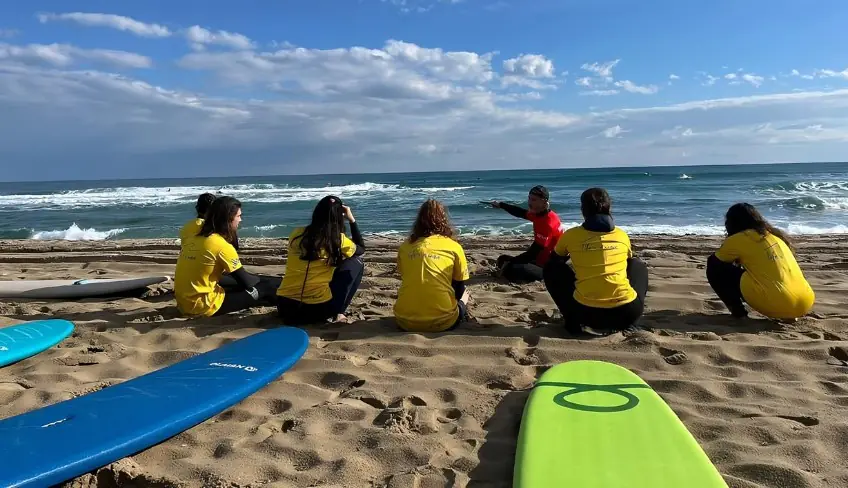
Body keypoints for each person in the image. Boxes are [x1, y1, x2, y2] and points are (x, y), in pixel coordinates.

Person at [543, 188, 648, 334]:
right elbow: (627, 261)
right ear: (609, 207)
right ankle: (631, 322)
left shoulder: (571, 235)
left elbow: (554, 260)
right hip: (627, 314)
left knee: (551, 268)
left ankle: (572, 322)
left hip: (587, 314)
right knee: (637, 265)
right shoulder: (621, 235)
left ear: (583, 210)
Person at [706, 203, 815, 320]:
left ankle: (738, 313)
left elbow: (717, 262)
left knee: (713, 266)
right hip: (805, 302)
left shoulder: (739, 239)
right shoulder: (776, 237)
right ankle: (791, 314)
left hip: (777, 304)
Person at [174, 196, 279, 317]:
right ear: (229, 218)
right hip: (202, 307)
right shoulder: (221, 245)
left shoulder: (193, 238)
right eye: (239, 216)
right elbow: (248, 282)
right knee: (266, 287)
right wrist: (269, 281)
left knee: (235, 281)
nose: (240, 220)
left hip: (183, 303)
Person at [276, 195, 365, 324]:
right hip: (316, 310)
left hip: (284, 306)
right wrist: (351, 220)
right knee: (357, 261)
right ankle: (339, 312)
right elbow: (361, 249)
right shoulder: (337, 240)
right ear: (339, 217)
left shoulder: (297, 234)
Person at [394, 199, 470, 333]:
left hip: (404, 321)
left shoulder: (405, 247)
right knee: (465, 293)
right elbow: (459, 286)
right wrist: (462, 301)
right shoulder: (454, 247)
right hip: (444, 322)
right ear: (444, 219)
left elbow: (405, 275)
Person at [486, 185, 564, 282]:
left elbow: (533, 253)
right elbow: (520, 212)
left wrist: (512, 262)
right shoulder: (540, 214)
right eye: (529, 198)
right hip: (539, 259)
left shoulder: (547, 223)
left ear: (544, 201)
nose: (530, 202)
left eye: (534, 200)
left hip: (548, 266)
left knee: (512, 268)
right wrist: (501, 205)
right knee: (502, 259)